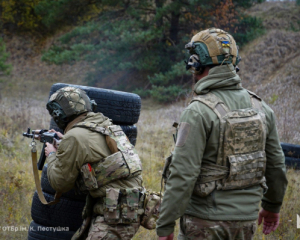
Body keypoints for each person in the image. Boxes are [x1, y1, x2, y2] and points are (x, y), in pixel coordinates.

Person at [156, 28, 288, 240]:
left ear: (196, 64)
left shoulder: (198, 111)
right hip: (246, 223)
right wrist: (272, 206)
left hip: (203, 222)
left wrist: (165, 225)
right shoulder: (262, 108)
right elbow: (276, 165)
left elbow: (183, 173)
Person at [44, 86, 144, 240]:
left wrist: (51, 154)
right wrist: (65, 143)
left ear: (60, 113)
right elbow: (95, 150)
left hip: (114, 214)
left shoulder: (75, 137)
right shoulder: (107, 126)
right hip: (128, 208)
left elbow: (60, 183)